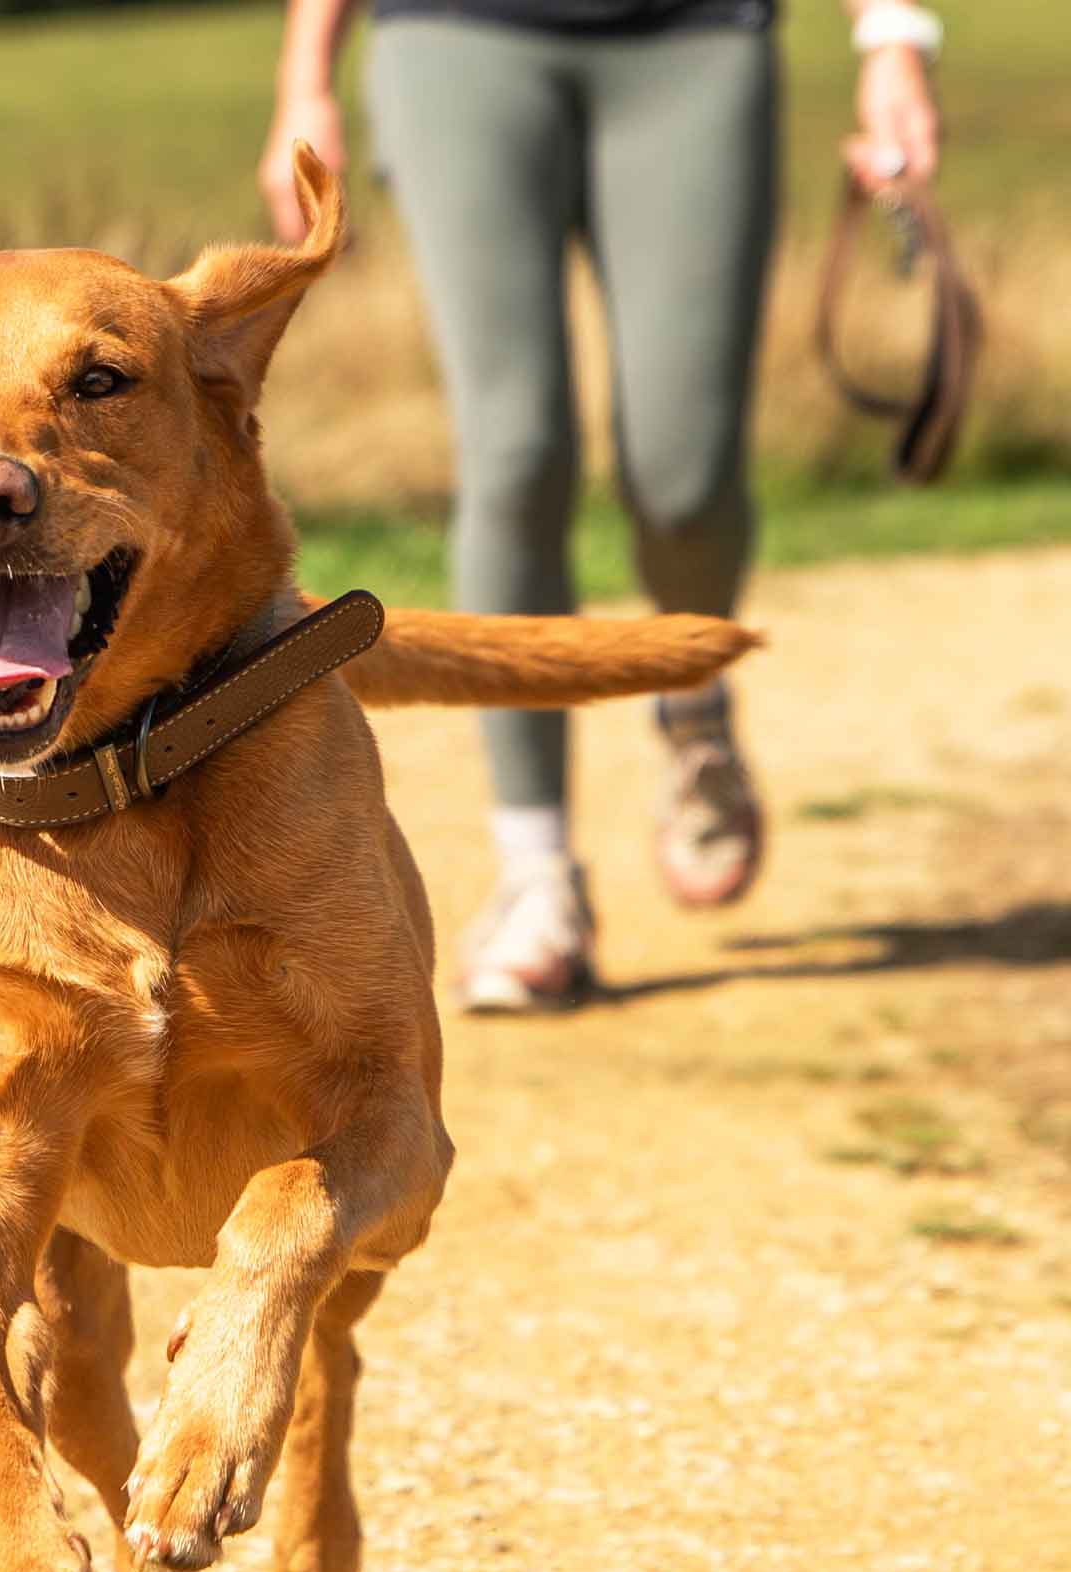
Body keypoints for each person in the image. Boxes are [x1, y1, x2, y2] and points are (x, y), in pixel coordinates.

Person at [260, 0, 944, 1010]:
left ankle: (692, 702)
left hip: (695, 36)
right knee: (516, 452)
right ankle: (537, 875)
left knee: (685, 476)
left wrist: (891, 36)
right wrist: (306, 74)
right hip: (453, 35)